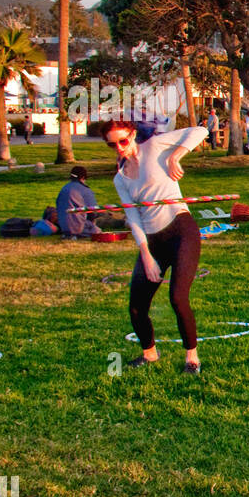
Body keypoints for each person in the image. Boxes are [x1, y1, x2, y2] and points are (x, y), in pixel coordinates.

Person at [100, 117, 207, 374]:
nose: (119, 148)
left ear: (133, 135)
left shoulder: (156, 146)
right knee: (136, 306)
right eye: (112, 145)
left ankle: (192, 359)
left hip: (180, 229)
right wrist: (146, 254)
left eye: (123, 141)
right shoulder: (121, 179)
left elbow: (200, 130)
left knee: (178, 298)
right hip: (153, 240)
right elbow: (134, 218)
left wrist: (175, 157)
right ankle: (149, 354)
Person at [56, 166, 101, 239]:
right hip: (78, 227)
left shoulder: (64, 188)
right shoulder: (85, 190)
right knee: (98, 231)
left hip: (63, 227)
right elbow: (93, 211)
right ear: (83, 177)